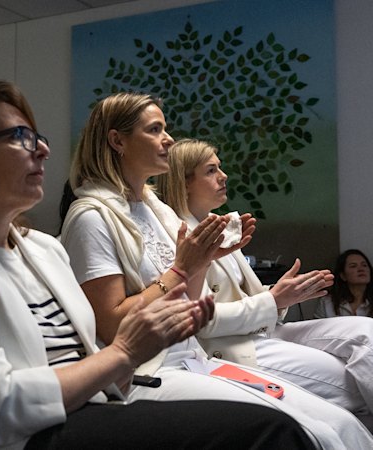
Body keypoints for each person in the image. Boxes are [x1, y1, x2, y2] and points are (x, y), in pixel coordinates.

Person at [0, 81, 316, 450]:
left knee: (295, 426)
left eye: (38, 137)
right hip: (23, 435)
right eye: (20, 137)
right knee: (271, 431)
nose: (43, 149)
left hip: (102, 398)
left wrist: (193, 274)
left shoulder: (43, 248)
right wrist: (125, 351)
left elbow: (97, 354)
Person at [59, 91, 373, 448]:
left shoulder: (157, 211)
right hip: (148, 371)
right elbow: (112, 325)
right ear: (117, 141)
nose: (168, 139)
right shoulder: (91, 217)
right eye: (155, 129)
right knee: (311, 433)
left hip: (194, 357)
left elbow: (191, 307)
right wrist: (183, 270)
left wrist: (202, 261)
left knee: (340, 423)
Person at [156, 138, 373, 423]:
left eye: (220, 167)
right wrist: (274, 299)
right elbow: (202, 320)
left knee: (367, 331)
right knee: (353, 386)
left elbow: (253, 300)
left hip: (264, 332)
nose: (223, 176)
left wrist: (286, 295)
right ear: (184, 182)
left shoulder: (220, 227)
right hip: (230, 346)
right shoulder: (181, 237)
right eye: (211, 170)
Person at [315, 249, 373, 318]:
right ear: (343, 275)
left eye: (364, 265)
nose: (361, 269)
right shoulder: (327, 302)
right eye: (353, 266)